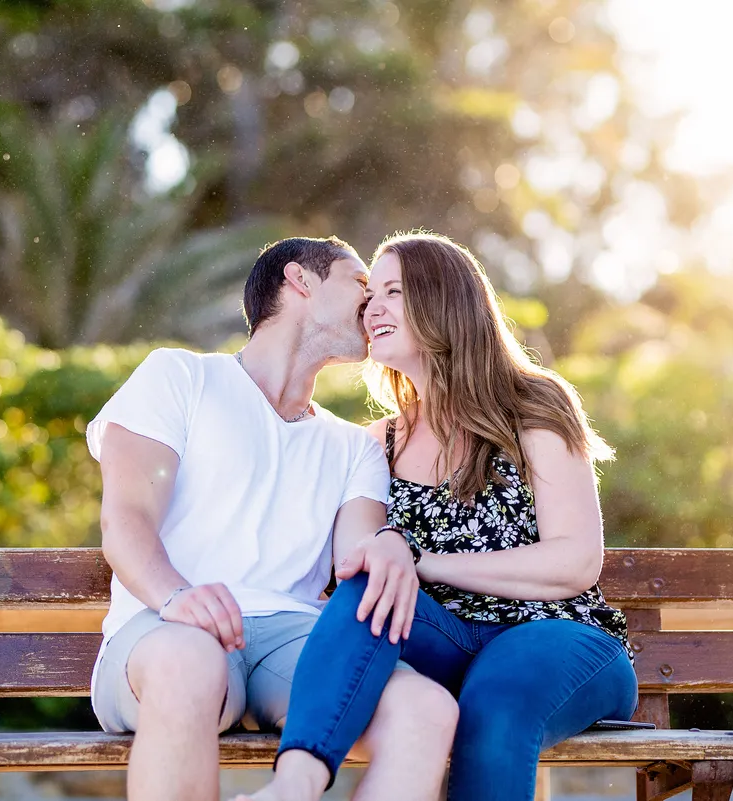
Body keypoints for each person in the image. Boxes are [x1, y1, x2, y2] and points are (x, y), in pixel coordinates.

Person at [239, 232, 638, 801]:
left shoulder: (534, 408)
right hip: (442, 640)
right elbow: (347, 552)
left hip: (555, 637)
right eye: (367, 295)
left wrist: (424, 563)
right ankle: (295, 785)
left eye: (392, 292)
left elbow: (575, 563)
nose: (370, 307)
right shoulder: (379, 442)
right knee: (368, 581)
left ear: (445, 301)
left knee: (493, 706)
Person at [86, 235, 458, 801]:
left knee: (424, 708)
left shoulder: (352, 448)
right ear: (300, 281)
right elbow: (127, 517)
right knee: (191, 665)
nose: (372, 304)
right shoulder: (179, 378)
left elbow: (357, 550)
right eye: (360, 284)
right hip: (165, 629)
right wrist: (175, 596)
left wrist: (387, 545)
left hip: (290, 638)